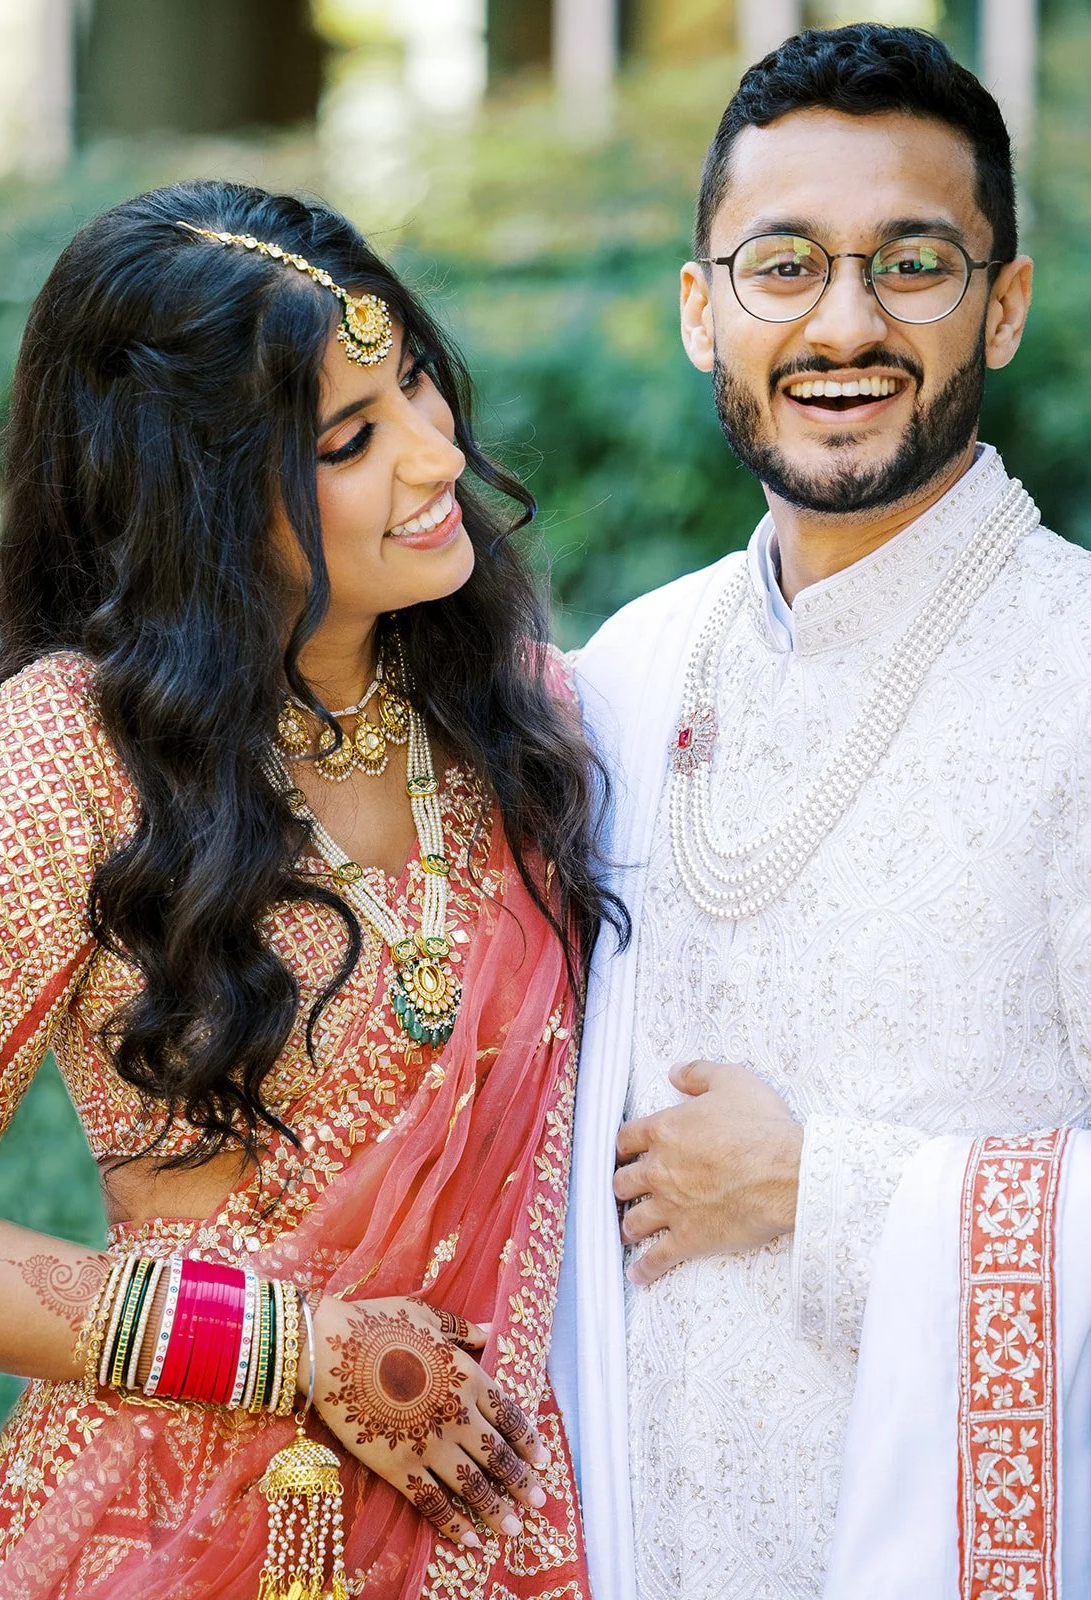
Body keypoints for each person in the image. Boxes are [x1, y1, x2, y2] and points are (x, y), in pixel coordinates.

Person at [0, 179, 623, 1600]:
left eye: (418, 383)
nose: (434, 457)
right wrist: (296, 1346)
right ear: (204, 499)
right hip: (178, 1536)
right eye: (351, 440)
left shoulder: (524, 721)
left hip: (509, 1532)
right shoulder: (77, 750)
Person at [550, 24, 1091, 1600]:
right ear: (698, 307)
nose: (844, 321)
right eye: (783, 264)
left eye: (913, 264)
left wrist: (827, 1193)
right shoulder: (623, 678)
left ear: (1004, 304)